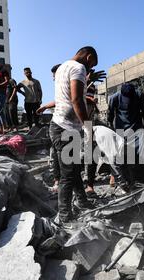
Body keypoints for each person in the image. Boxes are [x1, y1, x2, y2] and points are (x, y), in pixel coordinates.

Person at [50, 46, 98, 224]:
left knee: (73, 169)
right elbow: (76, 99)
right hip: (66, 128)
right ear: (88, 56)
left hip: (61, 126)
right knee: (68, 175)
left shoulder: (63, 66)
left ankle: (82, 201)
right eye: (91, 64)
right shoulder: (78, 68)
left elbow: (72, 94)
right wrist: (87, 126)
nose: (90, 68)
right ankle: (64, 216)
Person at [108, 82, 144, 190]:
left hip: (137, 128)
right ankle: (124, 182)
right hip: (121, 130)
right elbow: (110, 115)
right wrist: (112, 131)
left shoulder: (138, 95)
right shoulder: (114, 98)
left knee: (141, 156)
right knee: (121, 156)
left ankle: (143, 181)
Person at [37, 64, 62, 193]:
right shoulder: (60, 85)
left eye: (54, 76)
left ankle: (63, 185)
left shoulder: (68, 83)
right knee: (58, 155)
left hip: (65, 126)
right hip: (59, 125)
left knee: (65, 157)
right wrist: (46, 106)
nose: (53, 79)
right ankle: (58, 183)